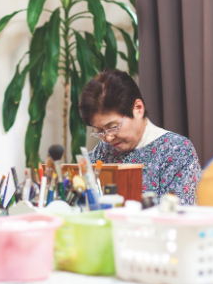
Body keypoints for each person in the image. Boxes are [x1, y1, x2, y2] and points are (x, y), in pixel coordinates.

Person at [79, 69, 202, 205]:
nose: (108, 138)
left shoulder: (176, 150)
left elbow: (177, 214)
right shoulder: (103, 150)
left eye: (112, 127)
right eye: (100, 131)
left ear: (138, 108)